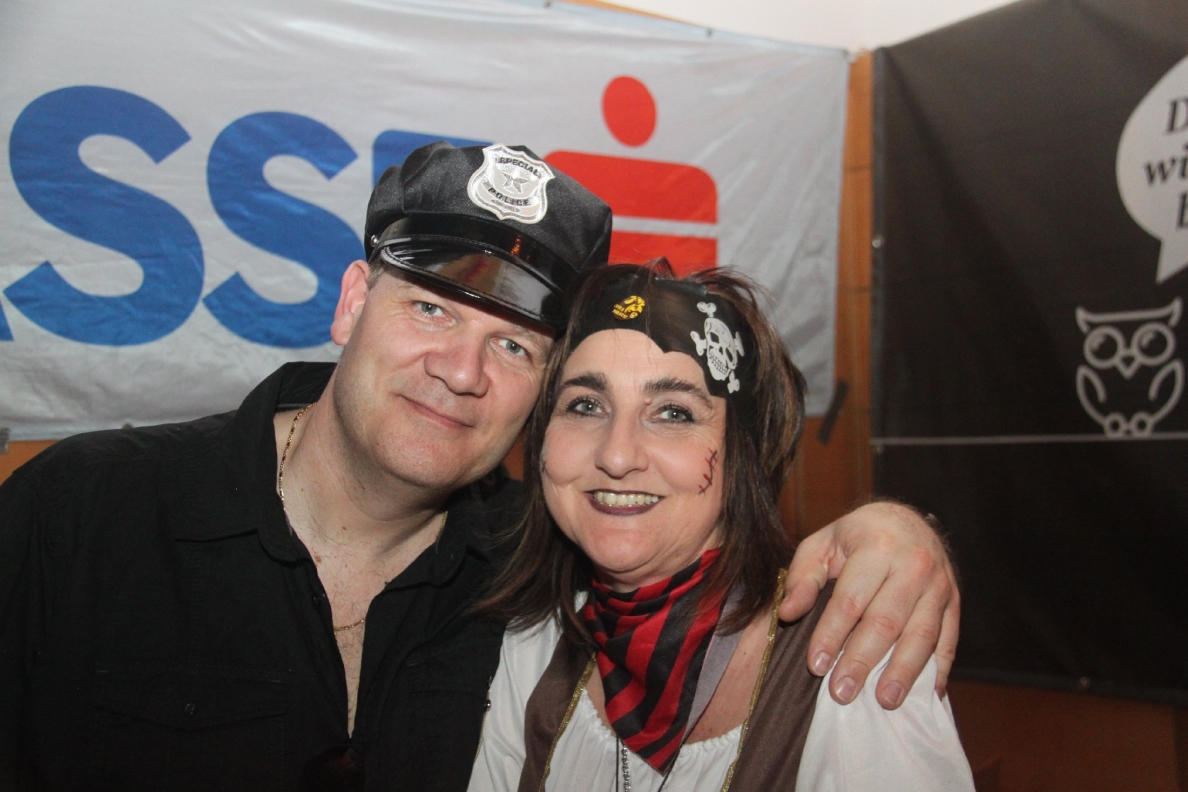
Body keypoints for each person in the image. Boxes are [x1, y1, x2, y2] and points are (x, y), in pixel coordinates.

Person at [0, 142, 957, 792]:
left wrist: (898, 533)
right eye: (431, 307)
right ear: (352, 302)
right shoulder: (77, 514)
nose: (461, 371)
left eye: (513, 345)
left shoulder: (527, 580)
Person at [469, 262, 974, 791]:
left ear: (741, 457)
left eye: (674, 413)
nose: (616, 455)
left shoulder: (852, 655)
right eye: (586, 405)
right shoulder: (532, 644)